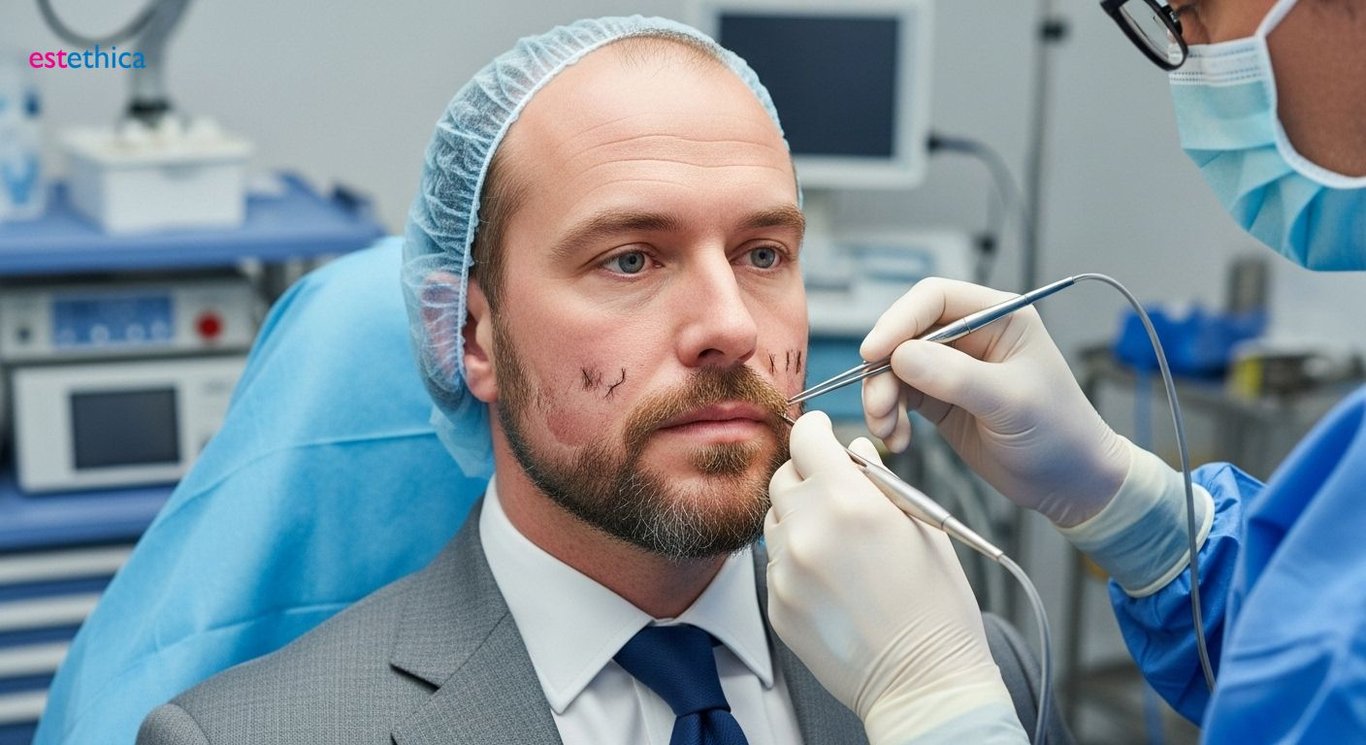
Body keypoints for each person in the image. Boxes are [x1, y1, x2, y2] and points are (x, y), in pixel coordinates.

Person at [132, 17, 1055, 745]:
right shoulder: (239, 736)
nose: (732, 324)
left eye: (763, 251)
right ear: (472, 337)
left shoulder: (973, 675)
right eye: (630, 260)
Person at [764, 0, 1366, 741]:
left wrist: (935, 700)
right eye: (630, 261)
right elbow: (1315, 648)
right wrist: (1134, 511)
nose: (1189, 46)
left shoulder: (1010, 672)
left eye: (763, 254)